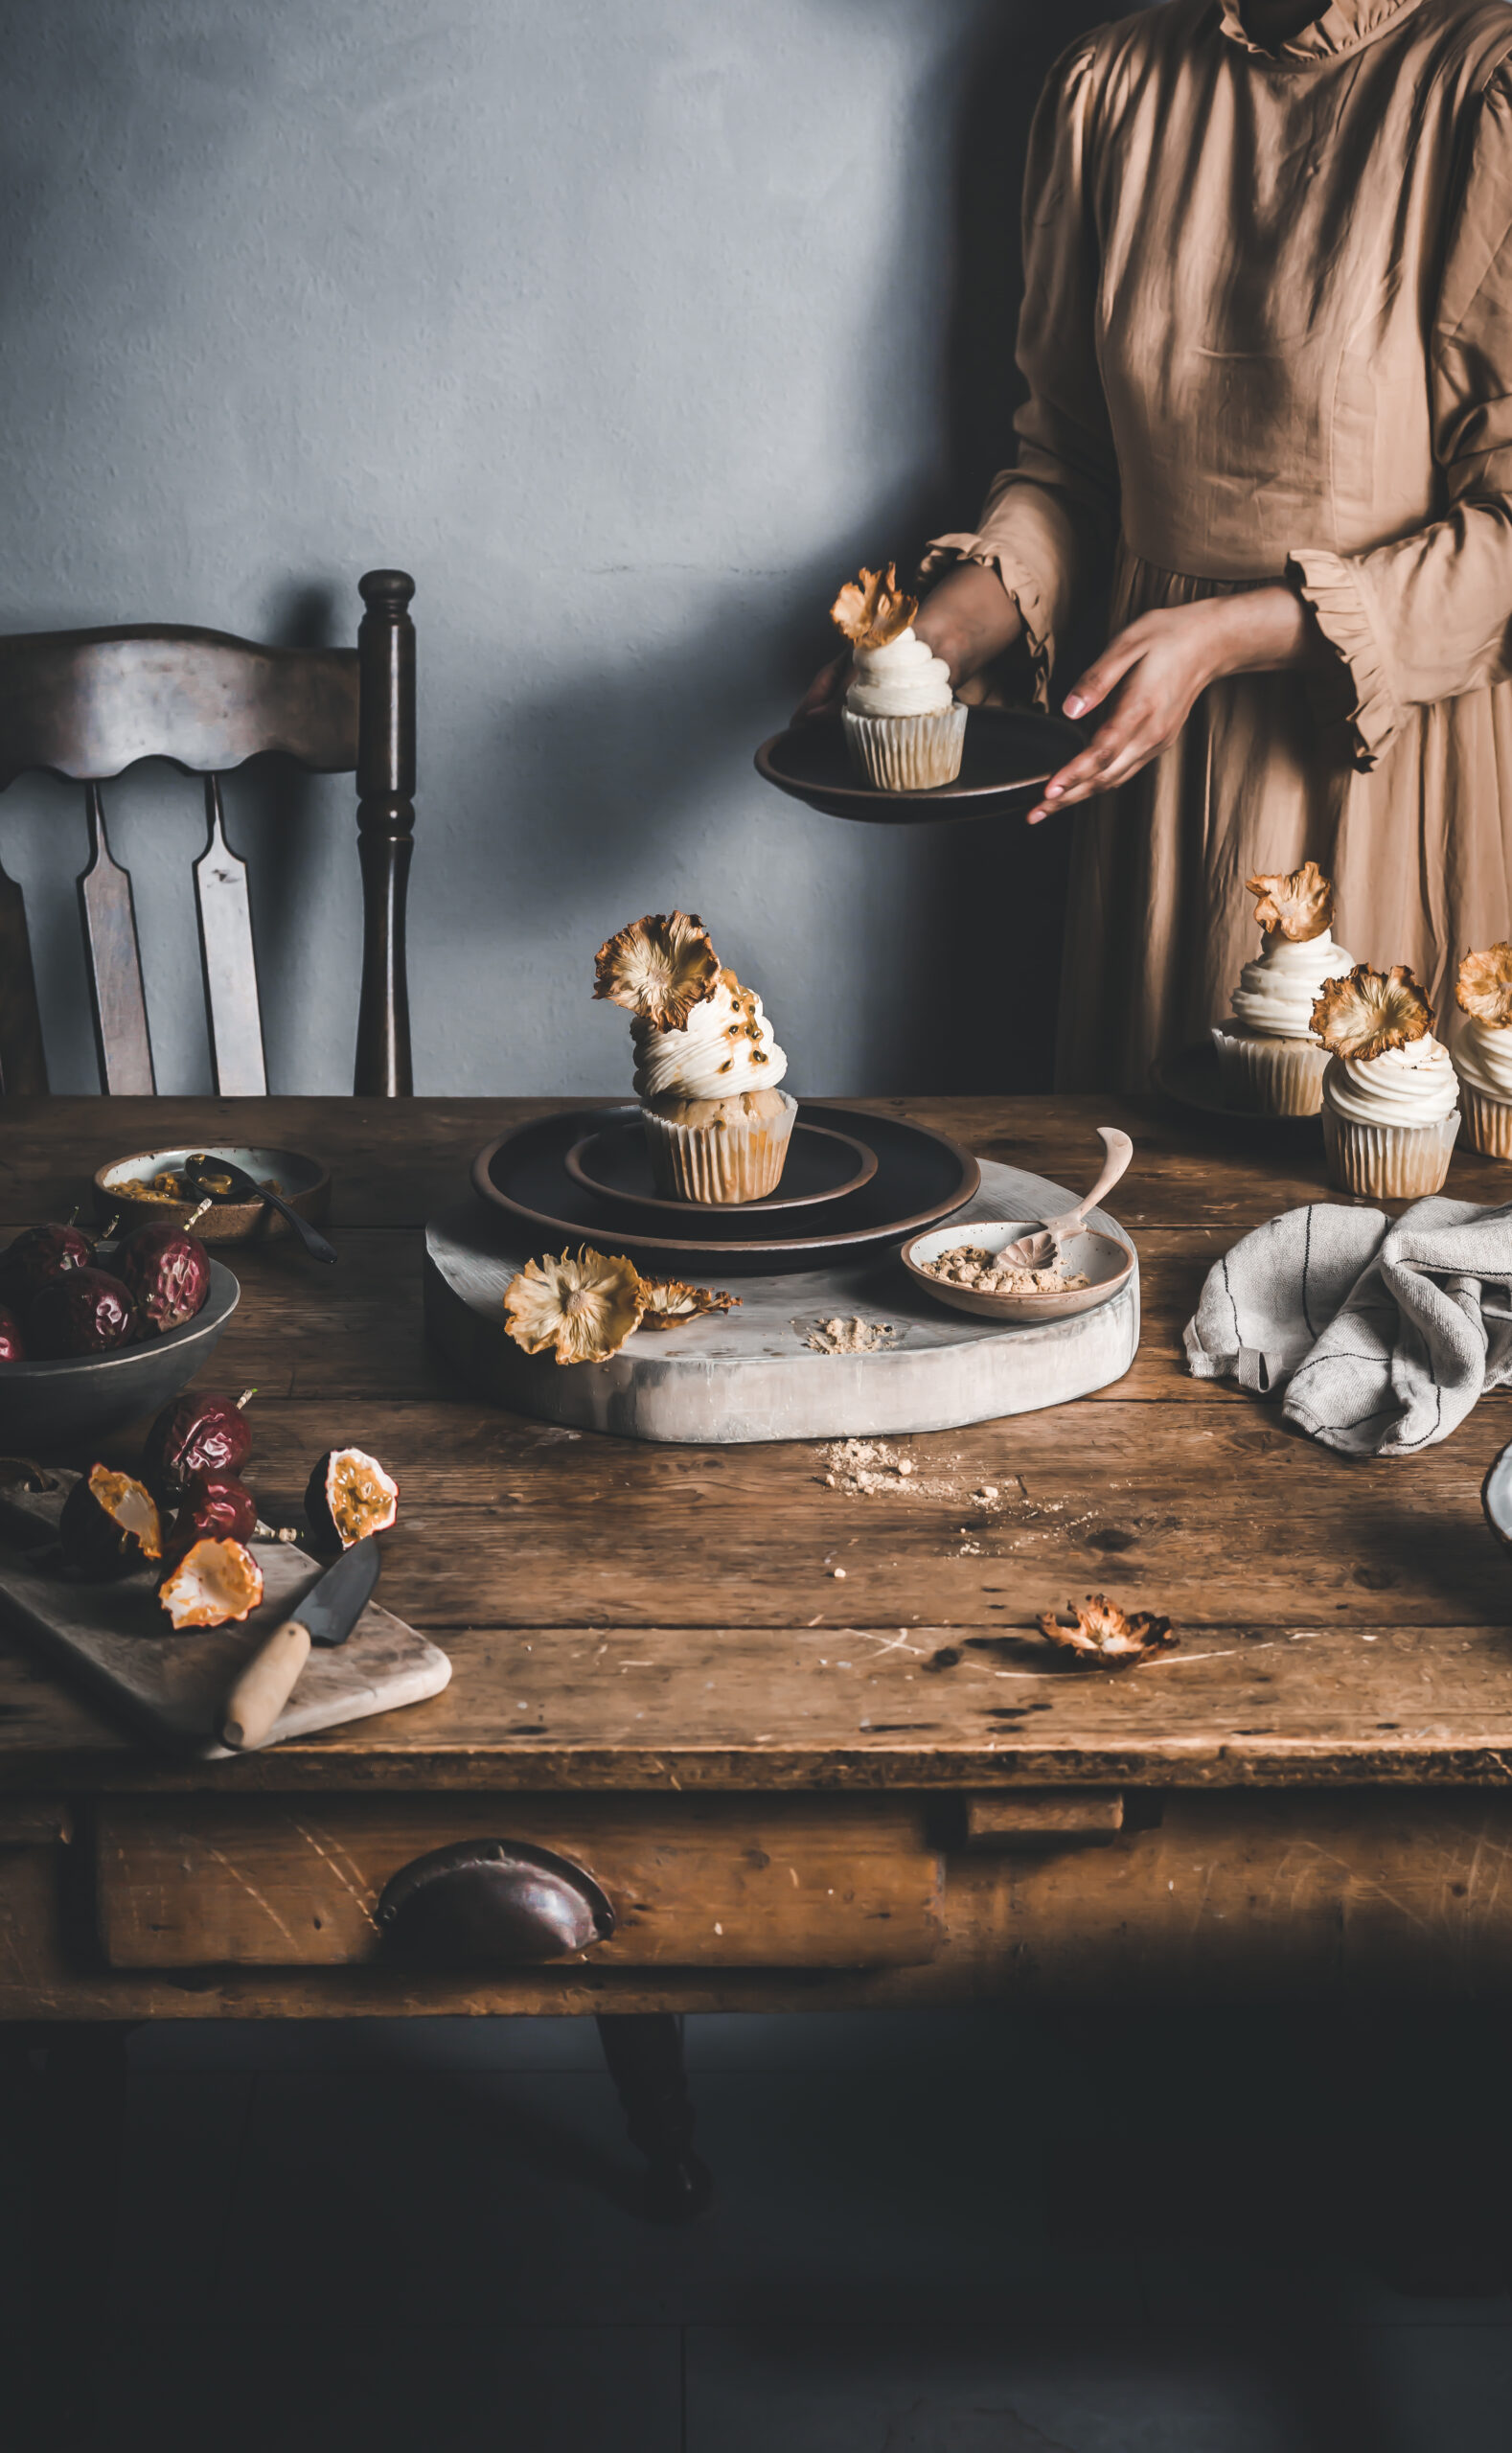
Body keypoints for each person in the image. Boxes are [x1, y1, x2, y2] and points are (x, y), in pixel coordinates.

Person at [803, 0, 1512, 1091]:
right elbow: (1071, 470)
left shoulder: (1485, 79)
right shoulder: (1111, 85)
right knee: (1152, 1205)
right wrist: (937, 637)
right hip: (1150, 783)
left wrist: (1233, 633)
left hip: (1376, 760)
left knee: (1363, 1196)